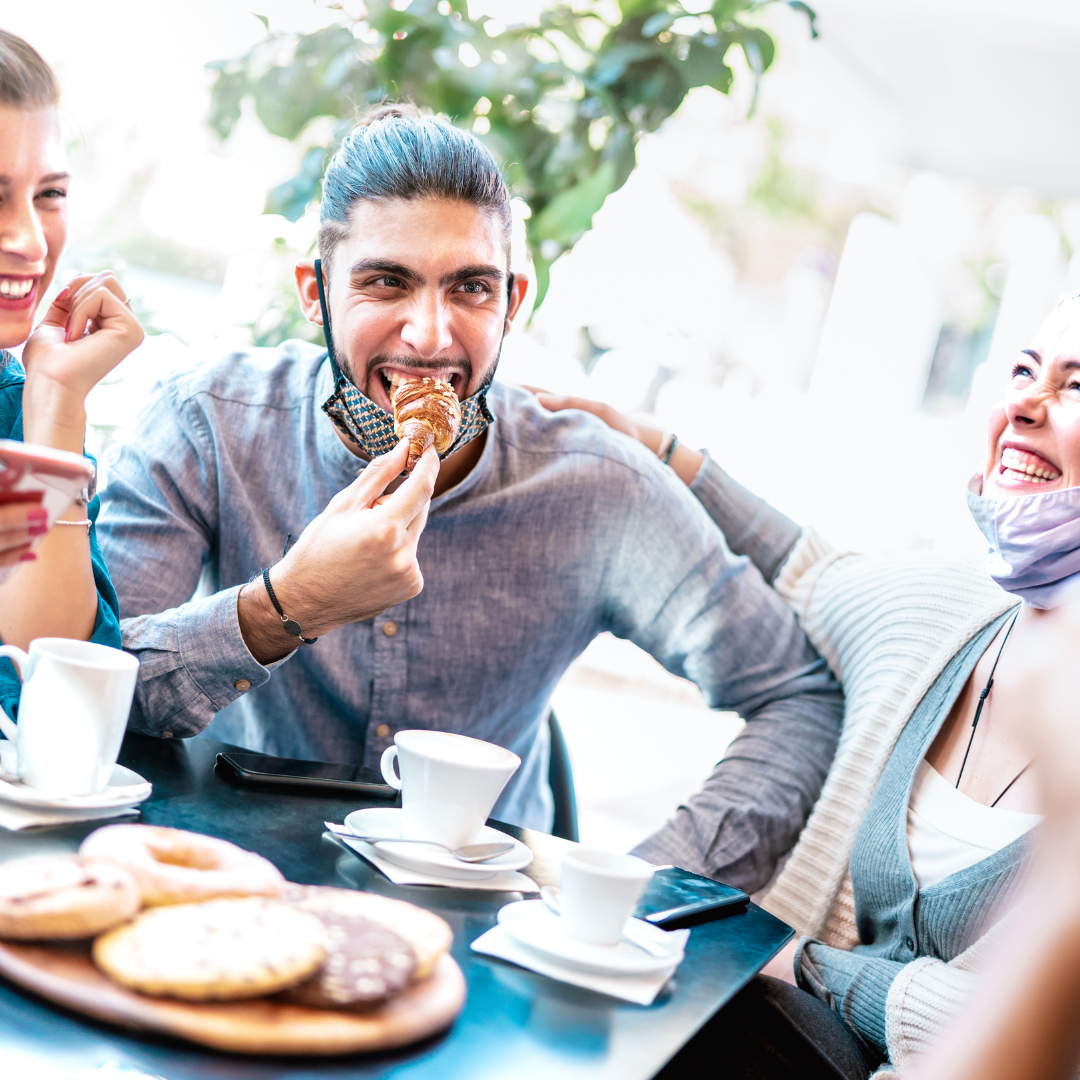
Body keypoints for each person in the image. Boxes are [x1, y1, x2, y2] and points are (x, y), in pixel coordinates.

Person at [97, 104, 843, 848]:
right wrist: (285, 605)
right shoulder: (208, 424)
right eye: (386, 283)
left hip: (488, 926)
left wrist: (640, 889)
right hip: (229, 872)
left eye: (471, 288)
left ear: (513, 302)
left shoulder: (591, 482)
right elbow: (90, 680)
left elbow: (796, 696)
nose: (429, 334)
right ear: (315, 291)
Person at [537, 294, 1080, 1077]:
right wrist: (656, 446)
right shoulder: (947, 613)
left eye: (1075, 386)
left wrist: (810, 966)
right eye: (1024, 370)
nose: (1025, 404)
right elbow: (801, 564)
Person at [0, 31, 141, 721]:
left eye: (49, 193)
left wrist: (54, 407)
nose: (29, 241)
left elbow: (54, 712)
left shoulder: (19, 418)